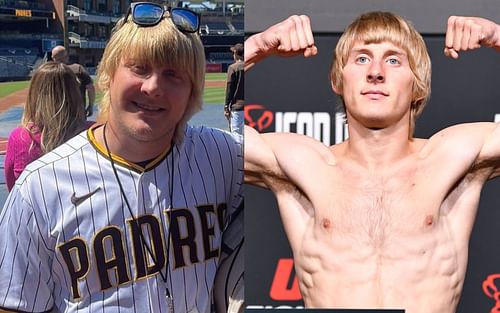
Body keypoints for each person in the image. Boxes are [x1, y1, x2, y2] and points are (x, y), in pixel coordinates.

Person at [244, 12, 500, 313]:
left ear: (418, 85)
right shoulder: (304, 166)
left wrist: (498, 37)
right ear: (337, 80)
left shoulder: (453, 158)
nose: (376, 72)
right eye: (362, 59)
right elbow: (205, 145)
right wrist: (255, 47)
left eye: (393, 61)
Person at [0, 2, 242, 313]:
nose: (153, 86)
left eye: (173, 74)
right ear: (109, 75)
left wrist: (261, 47)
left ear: (192, 91)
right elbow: (13, 304)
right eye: (139, 68)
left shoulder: (224, 156)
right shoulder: (39, 188)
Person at [4, 61, 88, 191]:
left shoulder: (19, 137)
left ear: (34, 94)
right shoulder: (93, 133)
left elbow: (13, 190)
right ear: (75, 94)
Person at [52, 45, 96, 118]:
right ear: (67, 56)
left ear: (53, 58)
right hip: (78, 112)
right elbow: (90, 88)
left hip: (57, 113)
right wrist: (91, 105)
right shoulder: (78, 69)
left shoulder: (48, 72)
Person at [224, 43, 244, 134]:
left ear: (235, 53)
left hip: (237, 107)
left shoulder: (233, 67)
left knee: (236, 136)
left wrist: (226, 106)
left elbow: (229, 89)